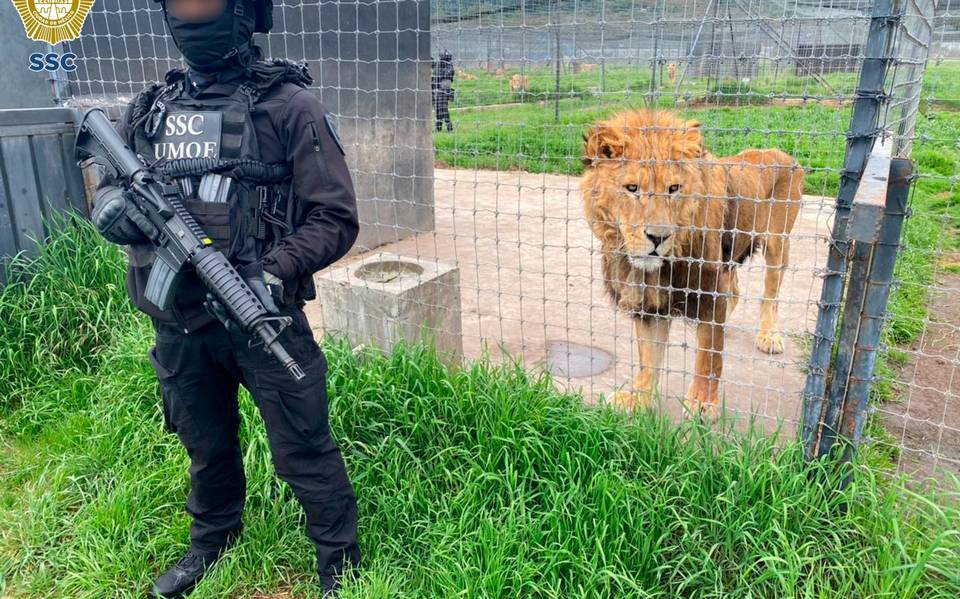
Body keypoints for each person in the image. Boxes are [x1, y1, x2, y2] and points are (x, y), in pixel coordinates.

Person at [88, 1, 360, 596]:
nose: (193, 13)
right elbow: (110, 183)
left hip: (261, 317)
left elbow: (335, 217)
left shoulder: (291, 107)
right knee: (205, 444)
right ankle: (212, 543)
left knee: (303, 447)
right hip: (178, 322)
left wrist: (271, 272)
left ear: (245, 11)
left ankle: (341, 564)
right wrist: (114, 211)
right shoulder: (152, 108)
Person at [431, 50, 455, 132]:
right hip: (436, 90)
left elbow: (446, 76)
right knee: (438, 109)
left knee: (443, 109)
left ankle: (449, 128)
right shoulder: (439, 65)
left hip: (443, 91)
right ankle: (439, 128)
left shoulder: (449, 67)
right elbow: (433, 68)